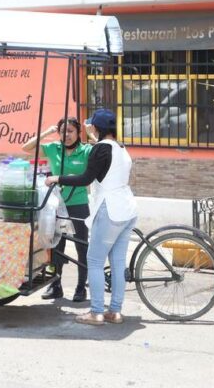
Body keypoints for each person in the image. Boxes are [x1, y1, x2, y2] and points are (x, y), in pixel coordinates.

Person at [45, 108, 137, 325]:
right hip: (128, 208)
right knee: (117, 262)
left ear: (96, 127)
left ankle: (96, 312)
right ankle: (115, 311)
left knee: (94, 260)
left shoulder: (100, 150)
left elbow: (86, 178)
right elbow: (103, 154)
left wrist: (57, 178)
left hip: (110, 209)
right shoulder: (121, 148)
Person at [22, 117, 97, 302]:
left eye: (71, 131)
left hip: (78, 203)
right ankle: (56, 285)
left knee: (82, 244)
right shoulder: (54, 148)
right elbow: (26, 148)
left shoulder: (86, 150)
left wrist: (92, 136)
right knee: (56, 245)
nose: (67, 135)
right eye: (63, 131)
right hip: (56, 204)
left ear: (78, 132)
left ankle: (81, 287)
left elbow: (106, 151)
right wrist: (47, 132)